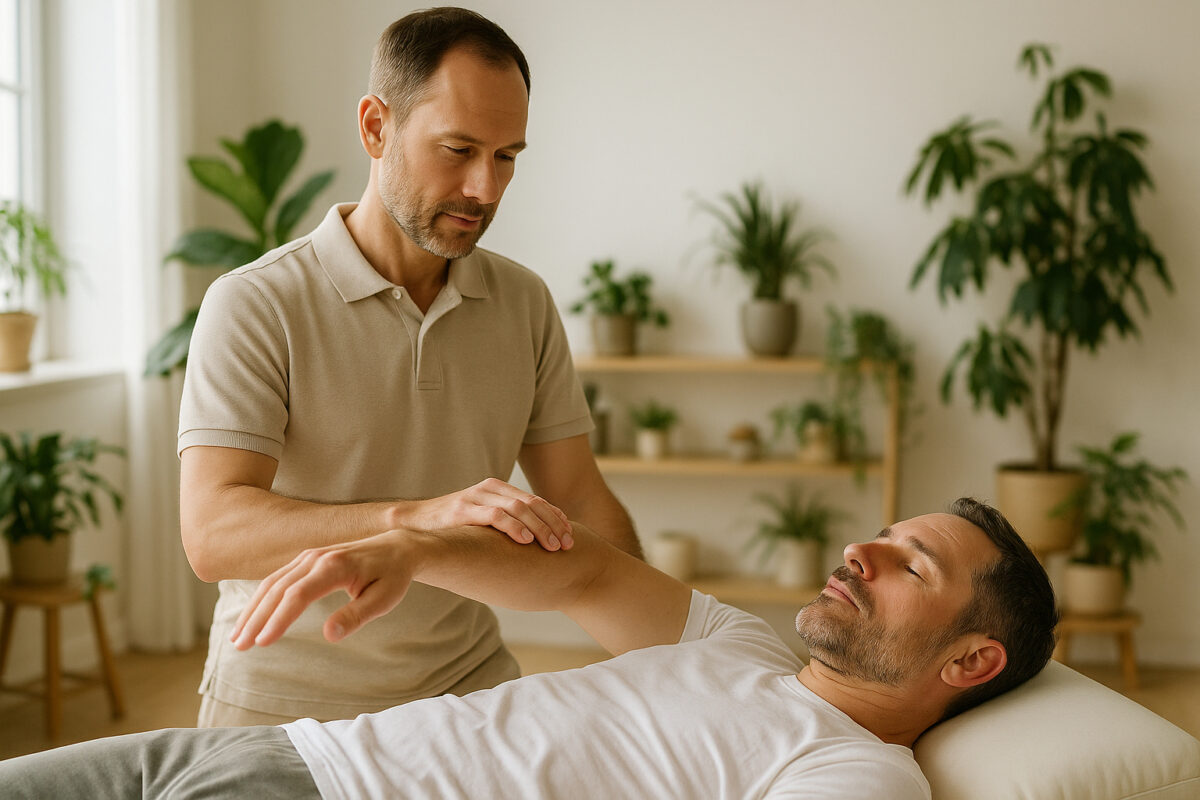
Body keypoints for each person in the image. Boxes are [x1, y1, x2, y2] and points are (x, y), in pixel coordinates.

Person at [176, 7, 639, 727]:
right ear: (375, 127)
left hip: (470, 693)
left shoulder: (523, 302)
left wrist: (670, 656)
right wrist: (415, 521)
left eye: (508, 155)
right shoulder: (255, 303)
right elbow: (213, 534)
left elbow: (582, 501)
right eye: (456, 149)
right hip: (282, 705)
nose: (486, 188)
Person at [0, 498, 1059, 799]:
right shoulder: (743, 646)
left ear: (969, 661)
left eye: (910, 563)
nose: (861, 547)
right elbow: (580, 572)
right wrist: (407, 545)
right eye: (882, 534)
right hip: (281, 750)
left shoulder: (851, 770)